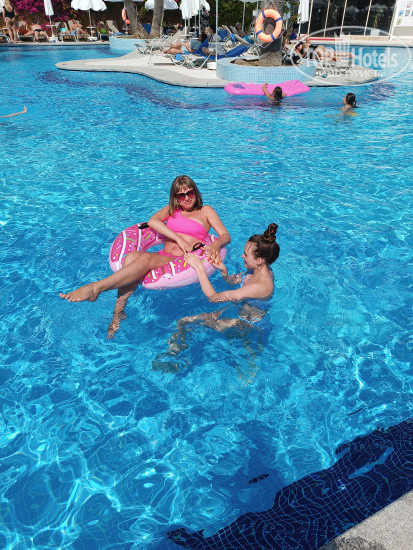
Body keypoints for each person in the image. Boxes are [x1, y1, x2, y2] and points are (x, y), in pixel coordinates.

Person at [59, 175, 231, 338]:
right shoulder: (173, 210)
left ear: (196, 192)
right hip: (163, 255)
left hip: (180, 259)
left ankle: (95, 288)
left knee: (145, 259)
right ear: (175, 197)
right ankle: (118, 312)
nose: (186, 198)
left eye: (190, 193)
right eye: (181, 195)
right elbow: (153, 221)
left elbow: (225, 236)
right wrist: (178, 238)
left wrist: (216, 244)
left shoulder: (205, 211)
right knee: (131, 257)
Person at [158, 224, 280, 378]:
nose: (242, 256)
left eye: (245, 254)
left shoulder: (261, 285)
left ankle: (172, 361)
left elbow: (214, 298)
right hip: (240, 311)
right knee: (185, 322)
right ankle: (173, 356)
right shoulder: (257, 269)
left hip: (247, 324)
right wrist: (224, 272)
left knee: (186, 323)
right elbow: (235, 283)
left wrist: (199, 268)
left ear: (260, 260)